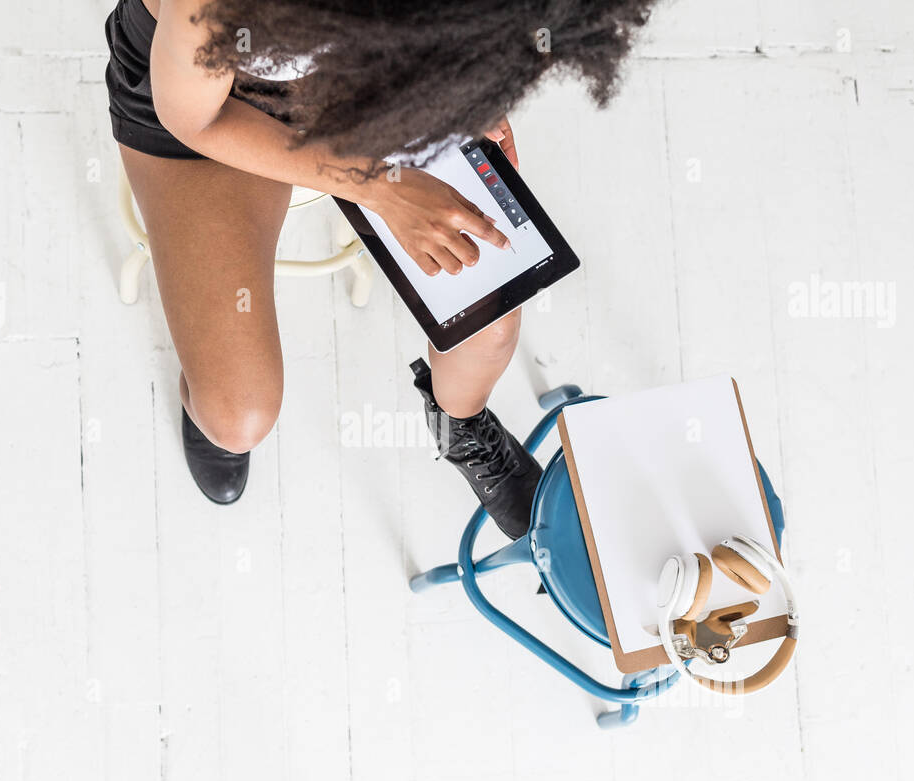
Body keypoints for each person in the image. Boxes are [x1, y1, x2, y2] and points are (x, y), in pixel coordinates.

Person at [105, 0, 653, 538]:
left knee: (489, 324)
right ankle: (203, 402)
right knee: (238, 416)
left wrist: (468, 82)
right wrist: (380, 185)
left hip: (364, 76)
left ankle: (460, 426)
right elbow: (196, 120)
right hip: (219, 113)